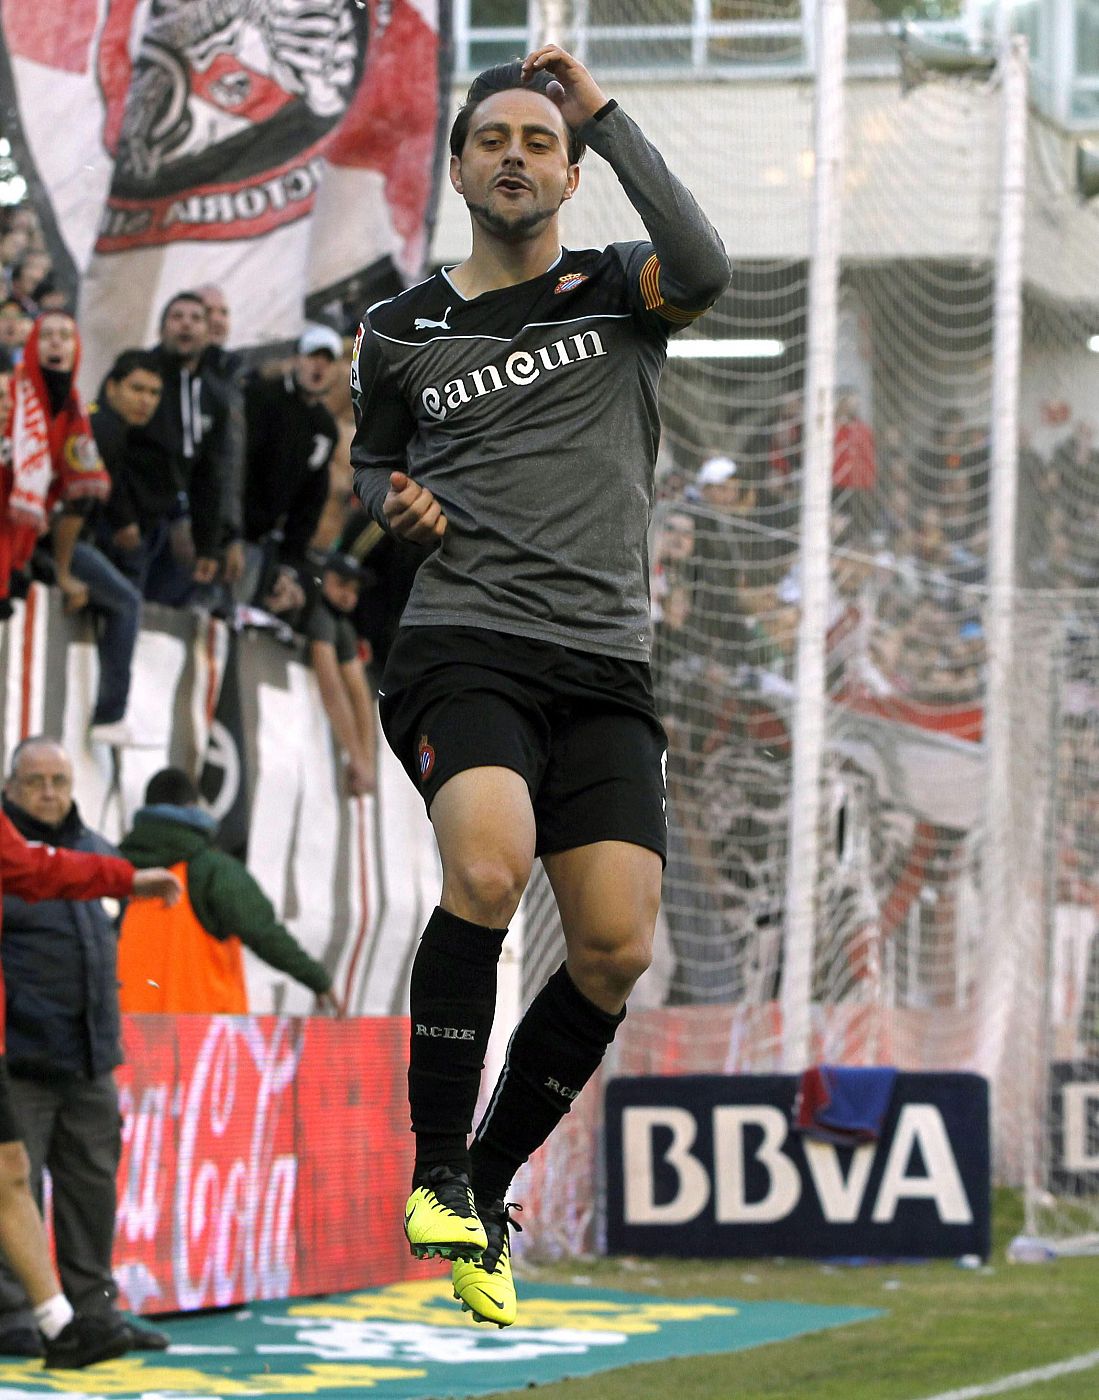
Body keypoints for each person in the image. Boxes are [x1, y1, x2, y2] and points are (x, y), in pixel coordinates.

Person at [349, 46, 728, 1328]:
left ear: (568, 169)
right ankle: (435, 1164)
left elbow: (713, 267)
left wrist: (608, 114)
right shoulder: (397, 328)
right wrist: (389, 508)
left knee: (617, 945)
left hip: (607, 660)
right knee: (491, 867)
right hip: (464, 641)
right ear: (459, 168)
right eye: (493, 138)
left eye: (539, 139)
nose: (516, 152)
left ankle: (489, 1188)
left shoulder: (625, 286)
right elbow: (373, 467)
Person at [0, 738, 172, 1357]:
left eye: (59, 780)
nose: (49, 791)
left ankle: (94, 1313)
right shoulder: (12, 854)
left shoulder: (98, 851)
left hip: (90, 1056)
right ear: (12, 788)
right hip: (19, 1059)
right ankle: (15, 1317)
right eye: (35, 780)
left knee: (92, 1191)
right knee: (10, 1191)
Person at [116, 768, 343, 1015]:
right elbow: (264, 933)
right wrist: (318, 980)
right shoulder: (209, 868)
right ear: (192, 807)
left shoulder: (112, 872)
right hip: (203, 1037)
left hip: (127, 1036)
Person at [143, 292, 243, 604]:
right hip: (136, 522)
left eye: (195, 318)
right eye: (177, 317)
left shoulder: (214, 395)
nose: (186, 324)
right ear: (161, 329)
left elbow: (212, 474)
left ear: (207, 333)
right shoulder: (140, 375)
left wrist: (212, 544)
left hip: (183, 538)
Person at [240, 326, 342, 612]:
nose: (319, 365)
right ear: (297, 359)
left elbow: (309, 503)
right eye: (313, 356)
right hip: (226, 531)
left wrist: (289, 565)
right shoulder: (260, 397)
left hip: (257, 544)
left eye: (327, 359)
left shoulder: (324, 429)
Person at [302, 552, 376, 797]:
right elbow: (331, 686)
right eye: (342, 585)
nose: (348, 596)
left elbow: (360, 692)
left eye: (354, 590)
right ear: (324, 577)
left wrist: (366, 760)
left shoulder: (342, 625)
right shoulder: (319, 613)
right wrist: (356, 757)